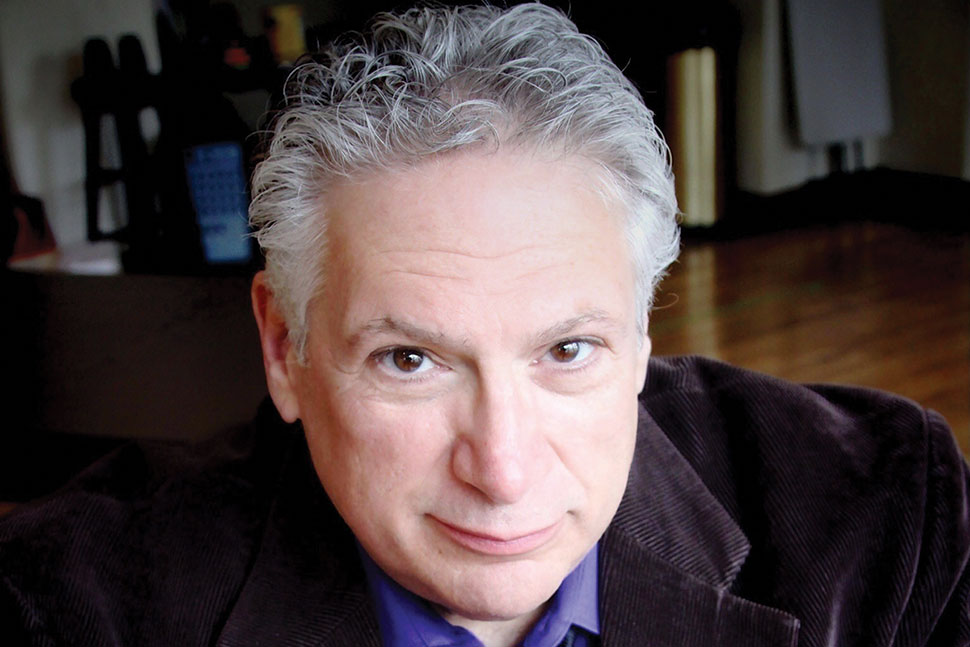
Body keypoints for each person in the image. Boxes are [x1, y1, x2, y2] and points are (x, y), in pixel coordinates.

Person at [2, 3, 968, 646]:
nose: (502, 471)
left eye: (567, 349)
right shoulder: (72, 604)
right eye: (411, 358)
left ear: (640, 335)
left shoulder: (887, 522)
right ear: (285, 348)